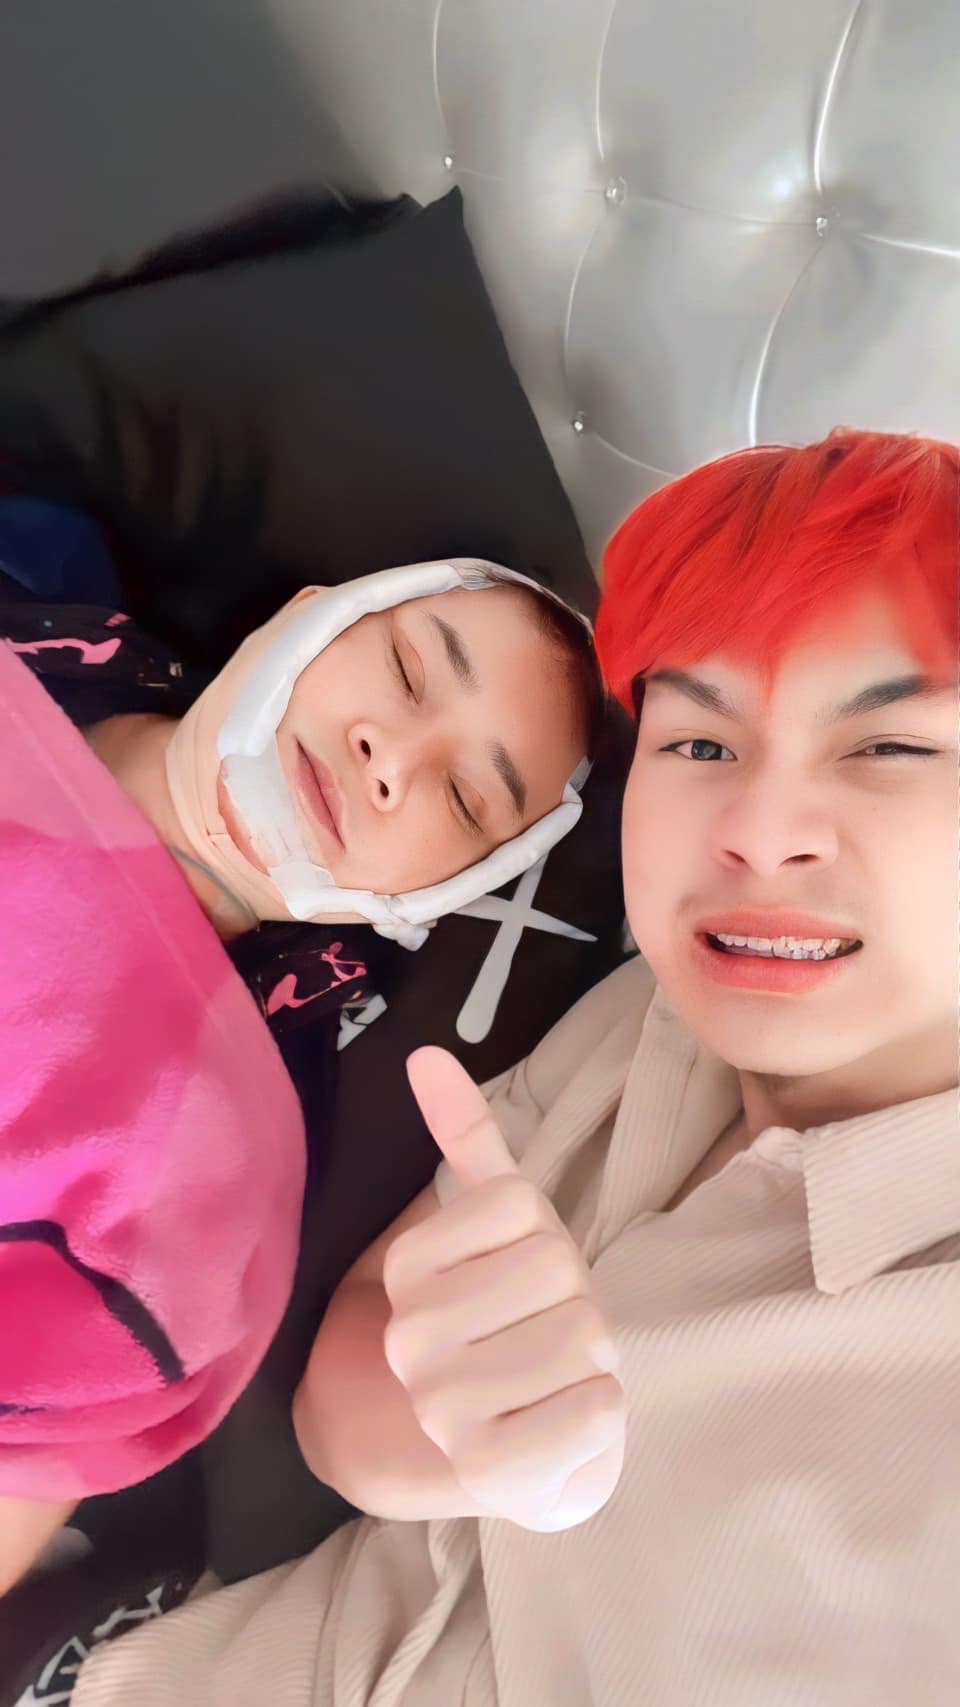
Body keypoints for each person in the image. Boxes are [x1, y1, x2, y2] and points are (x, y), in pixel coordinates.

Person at [69, 426, 959, 1707]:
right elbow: (346, 1398)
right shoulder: (651, 1016)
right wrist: (467, 1442)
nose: (759, 836)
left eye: (889, 748)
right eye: (701, 743)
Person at [0, 541, 603, 1601]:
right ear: (306, 612)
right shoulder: (41, 589)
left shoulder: (209, 1168)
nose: (391, 759)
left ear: (437, 897)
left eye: (465, 800)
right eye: (408, 669)